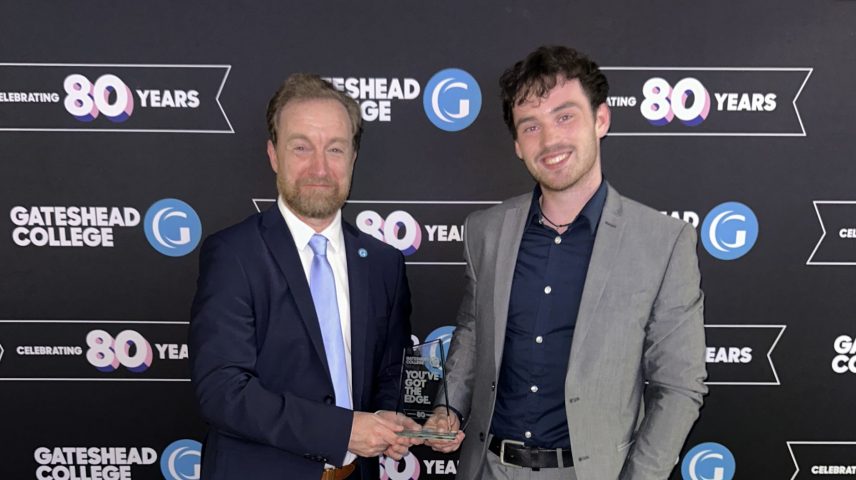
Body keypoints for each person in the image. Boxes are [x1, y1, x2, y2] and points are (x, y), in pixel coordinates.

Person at [424, 45, 708, 480]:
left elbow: (678, 387)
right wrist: (448, 406)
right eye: (531, 126)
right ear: (518, 146)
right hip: (489, 469)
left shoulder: (663, 243)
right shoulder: (486, 231)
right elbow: (473, 333)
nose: (550, 140)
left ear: (601, 119)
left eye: (565, 116)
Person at [190, 73, 419, 480]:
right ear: (273, 154)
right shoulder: (233, 254)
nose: (319, 167)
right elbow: (222, 391)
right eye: (301, 147)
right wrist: (343, 430)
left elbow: (391, 372)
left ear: (353, 158)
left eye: (335, 148)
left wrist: (388, 416)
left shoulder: (383, 262)